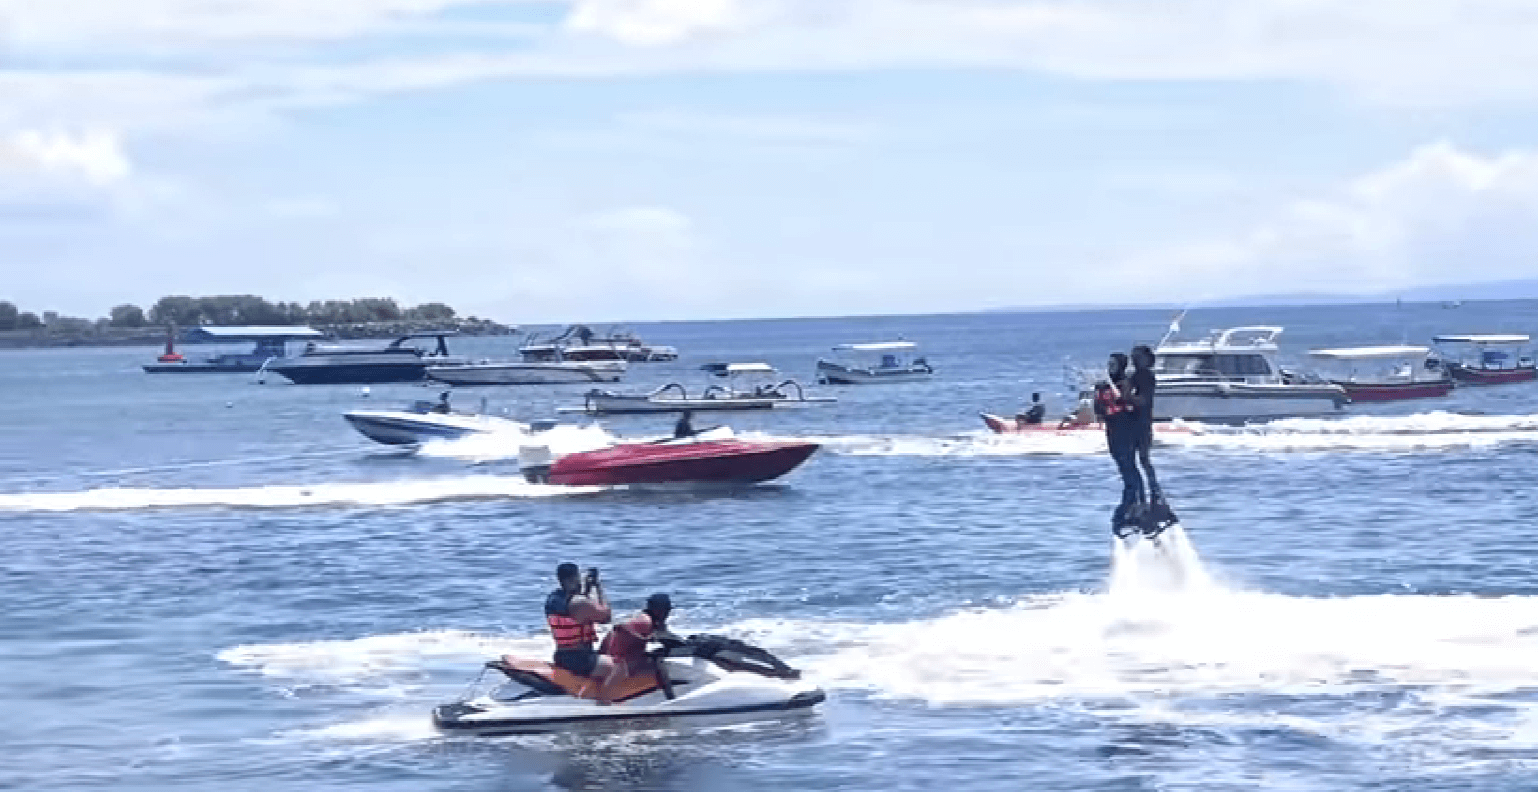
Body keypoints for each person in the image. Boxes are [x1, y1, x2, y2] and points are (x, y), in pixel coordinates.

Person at [544, 562, 616, 702]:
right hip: (581, 660)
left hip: (562, 656)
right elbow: (606, 617)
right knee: (618, 667)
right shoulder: (579, 602)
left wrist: (586, 589)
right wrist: (599, 587)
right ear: (572, 578)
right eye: (578, 576)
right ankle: (605, 703)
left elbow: (579, 611)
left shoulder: (553, 599)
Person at [599, 593, 680, 701]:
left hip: (611, 657)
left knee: (654, 654)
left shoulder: (645, 618)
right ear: (658, 610)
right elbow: (664, 638)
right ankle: (671, 698)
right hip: (615, 663)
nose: (668, 614)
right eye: (666, 610)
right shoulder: (646, 622)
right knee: (658, 660)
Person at [1095, 353, 1143, 532]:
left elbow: (1133, 405)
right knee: (1125, 472)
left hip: (1127, 432)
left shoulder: (1127, 383)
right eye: (1109, 364)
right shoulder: (1102, 386)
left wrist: (1122, 399)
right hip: (1113, 434)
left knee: (1131, 471)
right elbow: (1099, 410)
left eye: (1114, 364)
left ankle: (1134, 507)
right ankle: (1129, 508)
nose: (1110, 367)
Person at [1127, 345, 1164, 506]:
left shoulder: (1147, 376)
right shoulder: (1136, 375)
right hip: (1134, 422)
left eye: (1138, 357)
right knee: (1135, 461)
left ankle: (1153, 492)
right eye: (1133, 357)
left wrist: (1127, 397)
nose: (1134, 360)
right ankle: (1142, 494)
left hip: (1142, 423)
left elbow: (1144, 400)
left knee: (1143, 459)